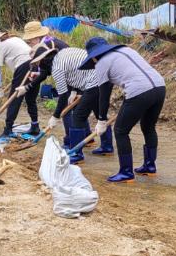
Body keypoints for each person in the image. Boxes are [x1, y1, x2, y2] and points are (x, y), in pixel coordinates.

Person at [80, 37, 166, 183]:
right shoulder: (127, 50)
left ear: (93, 56)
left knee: (120, 130)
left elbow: (104, 95)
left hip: (138, 91)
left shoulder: (101, 63)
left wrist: (101, 120)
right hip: (159, 87)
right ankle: (150, 166)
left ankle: (126, 172)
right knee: (149, 127)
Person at [47, 46, 112, 163]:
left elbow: (62, 97)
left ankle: (77, 154)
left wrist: (55, 116)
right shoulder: (63, 54)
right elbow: (76, 72)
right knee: (99, 113)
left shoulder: (56, 68)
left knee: (78, 116)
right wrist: (74, 91)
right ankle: (107, 147)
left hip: (94, 80)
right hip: (103, 76)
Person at [0, 27, 30, 101]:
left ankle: (11, 112)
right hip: (34, 63)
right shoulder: (15, 38)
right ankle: (33, 113)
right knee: (30, 97)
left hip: (22, 65)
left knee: (13, 99)